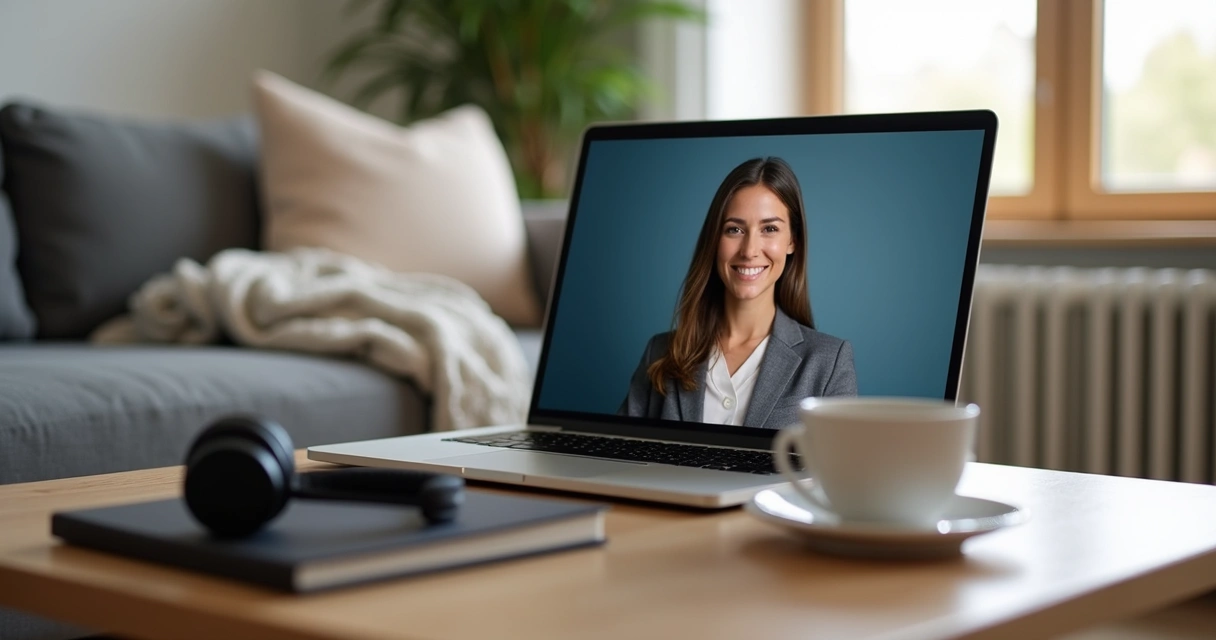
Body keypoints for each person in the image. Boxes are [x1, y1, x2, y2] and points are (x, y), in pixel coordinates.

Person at [619, 156, 857, 428]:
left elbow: (843, 468)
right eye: (734, 229)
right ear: (715, 240)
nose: (749, 250)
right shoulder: (660, 352)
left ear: (792, 241)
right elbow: (618, 456)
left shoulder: (828, 362)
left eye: (770, 229)